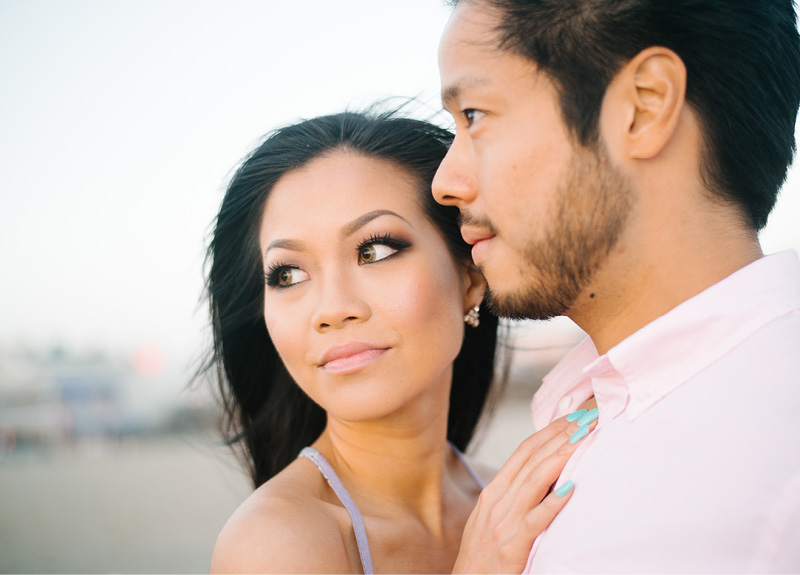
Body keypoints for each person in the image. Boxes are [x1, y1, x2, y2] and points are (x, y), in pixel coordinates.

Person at [433, 0, 800, 572]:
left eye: (475, 115)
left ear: (644, 107)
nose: (445, 182)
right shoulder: (608, 407)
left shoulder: (753, 482)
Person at [201, 109, 597, 574]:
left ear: (470, 278)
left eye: (374, 250)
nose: (332, 309)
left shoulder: (521, 504)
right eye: (288, 274)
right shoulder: (276, 543)